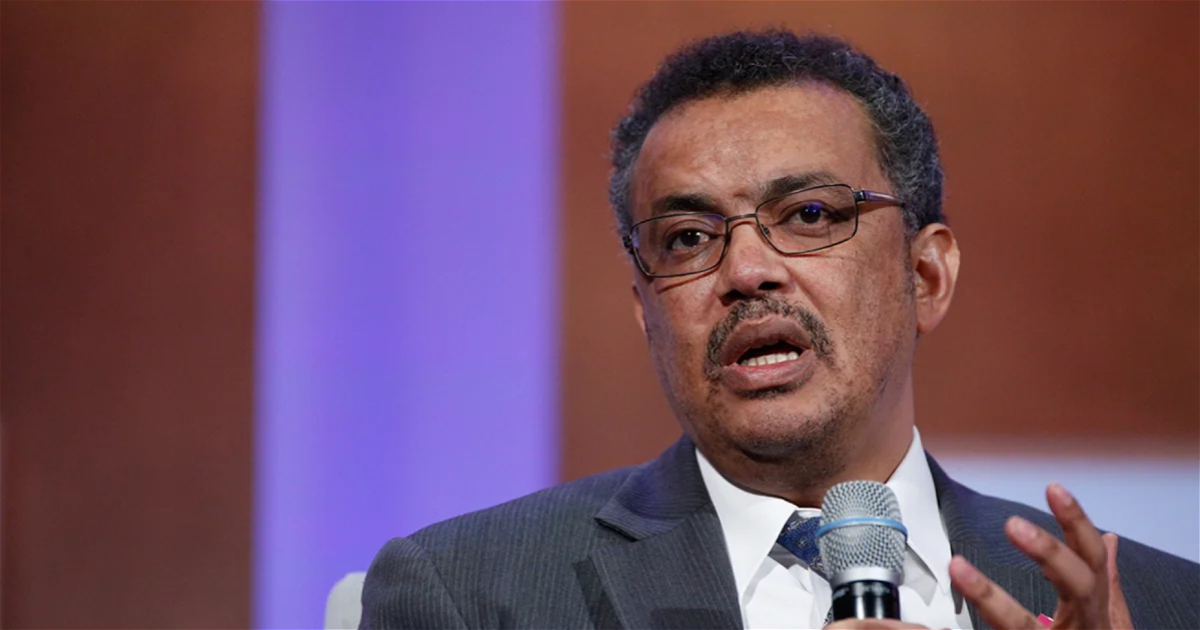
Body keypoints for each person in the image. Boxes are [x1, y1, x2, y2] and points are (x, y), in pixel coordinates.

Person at [360, 30, 1198, 630]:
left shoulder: (1167, 605)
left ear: (926, 276)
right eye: (688, 238)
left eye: (809, 215)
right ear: (647, 312)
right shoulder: (471, 596)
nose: (746, 270)